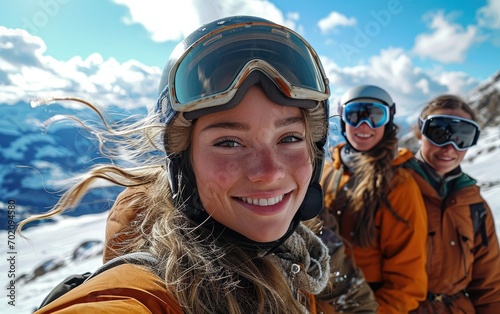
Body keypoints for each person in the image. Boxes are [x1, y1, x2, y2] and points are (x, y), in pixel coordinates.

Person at [19, 16, 378, 313]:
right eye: (228, 142)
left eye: (289, 138)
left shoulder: (300, 251)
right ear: (183, 163)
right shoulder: (149, 292)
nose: (268, 172)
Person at [320, 85, 428, 313]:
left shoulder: (398, 184)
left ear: (388, 122)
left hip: (370, 304)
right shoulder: (330, 172)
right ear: (343, 119)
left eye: (376, 116)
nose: (364, 125)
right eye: (355, 114)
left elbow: (408, 282)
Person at [405, 95, 500, 313]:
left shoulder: (474, 204)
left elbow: (490, 286)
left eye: (463, 137)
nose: (449, 147)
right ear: (420, 132)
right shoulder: (392, 187)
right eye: (438, 133)